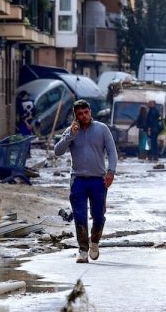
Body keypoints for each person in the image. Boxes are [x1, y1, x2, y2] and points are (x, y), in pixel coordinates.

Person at [54, 99, 118, 263]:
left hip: (98, 180)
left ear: (90, 112)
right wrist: (70, 135)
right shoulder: (71, 131)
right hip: (78, 181)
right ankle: (83, 250)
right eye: (79, 114)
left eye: (86, 113)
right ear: (75, 116)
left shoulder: (102, 129)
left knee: (98, 216)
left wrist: (111, 172)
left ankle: (94, 242)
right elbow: (58, 151)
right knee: (79, 215)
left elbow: (112, 152)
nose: (83, 116)